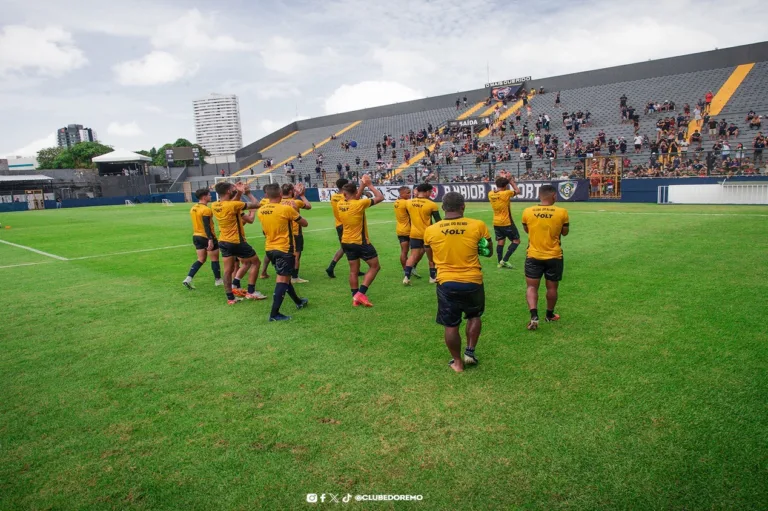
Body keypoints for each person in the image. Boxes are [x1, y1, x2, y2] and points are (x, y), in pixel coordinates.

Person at [424, 192, 492, 373]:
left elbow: (430, 257)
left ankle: (457, 362)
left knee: (451, 324)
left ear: (443, 208)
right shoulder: (478, 225)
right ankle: (470, 351)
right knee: (474, 316)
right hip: (473, 280)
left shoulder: (431, 230)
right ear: (463, 206)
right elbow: (488, 252)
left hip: (446, 282)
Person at [257, 183, 309, 321]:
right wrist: (295, 211)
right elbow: (304, 223)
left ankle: (298, 301)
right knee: (282, 280)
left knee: (284, 276)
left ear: (267, 195)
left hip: (270, 249)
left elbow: (264, 230)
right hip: (284, 249)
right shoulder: (286, 209)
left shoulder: (261, 210)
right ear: (280, 195)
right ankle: (274, 314)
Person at [521, 184, 570, 330]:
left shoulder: (527, 211)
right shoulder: (562, 212)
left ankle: (534, 315)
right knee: (552, 287)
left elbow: (526, 230)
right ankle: (549, 315)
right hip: (554, 255)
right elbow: (565, 232)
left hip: (533, 255)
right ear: (554, 196)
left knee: (531, 286)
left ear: (539, 196)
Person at [210, 181, 267, 304]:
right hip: (237, 241)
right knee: (256, 263)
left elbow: (233, 203)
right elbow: (257, 205)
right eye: (233, 189)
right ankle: (251, 292)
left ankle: (230, 298)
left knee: (227, 270)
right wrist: (247, 193)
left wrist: (239, 192)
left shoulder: (214, 205)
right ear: (229, 192)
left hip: (223, 241)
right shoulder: (233, 205)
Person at [337, 174, 384, 307]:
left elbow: (354, 197)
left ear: (345, 194)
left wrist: (361, 185)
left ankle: (355, 298)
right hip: (360, 242)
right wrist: (369, 185)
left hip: (346, 241)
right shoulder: (360, 204)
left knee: (353, 271)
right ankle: (360, 293)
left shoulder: (341, 204)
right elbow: (380, 197)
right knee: (375, 266)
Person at [183, 188, 223, 290]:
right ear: (204, 197)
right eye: (209, 195)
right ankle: (218, 280)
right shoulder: (206, 210)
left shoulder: (193, 208)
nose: (211, 196)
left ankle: (188, 278)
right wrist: (210, 239)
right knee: (214, 259)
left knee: (201, 259)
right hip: (207, 236)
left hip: (196, 236)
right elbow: (206, 225)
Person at [403, 183, 441, 285]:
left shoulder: (408, 203)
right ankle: (432, 277)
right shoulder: (432, 204)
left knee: (413, 255)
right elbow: (438, 221)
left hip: (414, 233)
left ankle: (406, 277)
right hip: (428, 234)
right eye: (430, 192)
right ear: (426, 192)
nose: (431, 194)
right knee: (431, 257)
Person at [325, 178, 361, 278]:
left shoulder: (333, 197)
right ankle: (331, 267)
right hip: (346, 224)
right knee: (349, 246)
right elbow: (356, 199)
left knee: (348, 247)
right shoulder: (344, 197)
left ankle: (356, 269)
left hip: (338, 224)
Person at [488, 173, 522, 269]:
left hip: (496, 222)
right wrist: (511, 182)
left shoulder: (490, 193)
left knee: (500, 241)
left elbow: (497, 191)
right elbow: (518, 191)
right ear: (506, 186)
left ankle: (499, 262)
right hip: (506, 222)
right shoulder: (506, 193)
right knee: (516, 241)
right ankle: (505, 260)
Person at [280, 183, 312, 284]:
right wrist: (302, 195)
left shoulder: (278, 202)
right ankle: (294, 277)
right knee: (296, 255)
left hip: (283, 232)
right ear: (290, 192)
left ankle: (284, 274)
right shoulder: (296, 202)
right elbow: (308, 206)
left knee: (284, 254)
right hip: (295, 232)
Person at [393, 186, 414, 272]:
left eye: (410, 192)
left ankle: (405, 269)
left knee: (404, 251)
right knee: (418, 250)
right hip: (408, 230)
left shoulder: (396, 202)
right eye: (408, 193)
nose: (410, 194)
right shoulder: (406, 203)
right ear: (401, 194)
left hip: (400, 229)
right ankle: (410, 268)